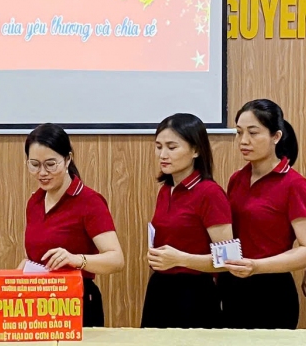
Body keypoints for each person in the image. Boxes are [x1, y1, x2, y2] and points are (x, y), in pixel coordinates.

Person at [219, 99, 306, 329]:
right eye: (239, 133)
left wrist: (257, 266)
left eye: (253, 133)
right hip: (232, 287)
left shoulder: (295, 185)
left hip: (271, 290)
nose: (243, 141)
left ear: (276, 136)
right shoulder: (237, 178)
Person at [22, 123, 125, 328]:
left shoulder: (89, 201)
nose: (42, 172)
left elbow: (116, 259)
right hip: (39, 302)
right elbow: (35, 256)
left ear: (68, 159)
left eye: (50, 164)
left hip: (78, 302)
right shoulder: (34, 202)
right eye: (34, 165)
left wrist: (76, 260)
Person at [142, 112, 233, 328]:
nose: (163, 154)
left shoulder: (209, 193)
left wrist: (181, 259)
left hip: (194, 293)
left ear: (196, 150)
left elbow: (228, 259)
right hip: (160, 288)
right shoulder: (165, 190)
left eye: (172, 147)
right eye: (158, 146)